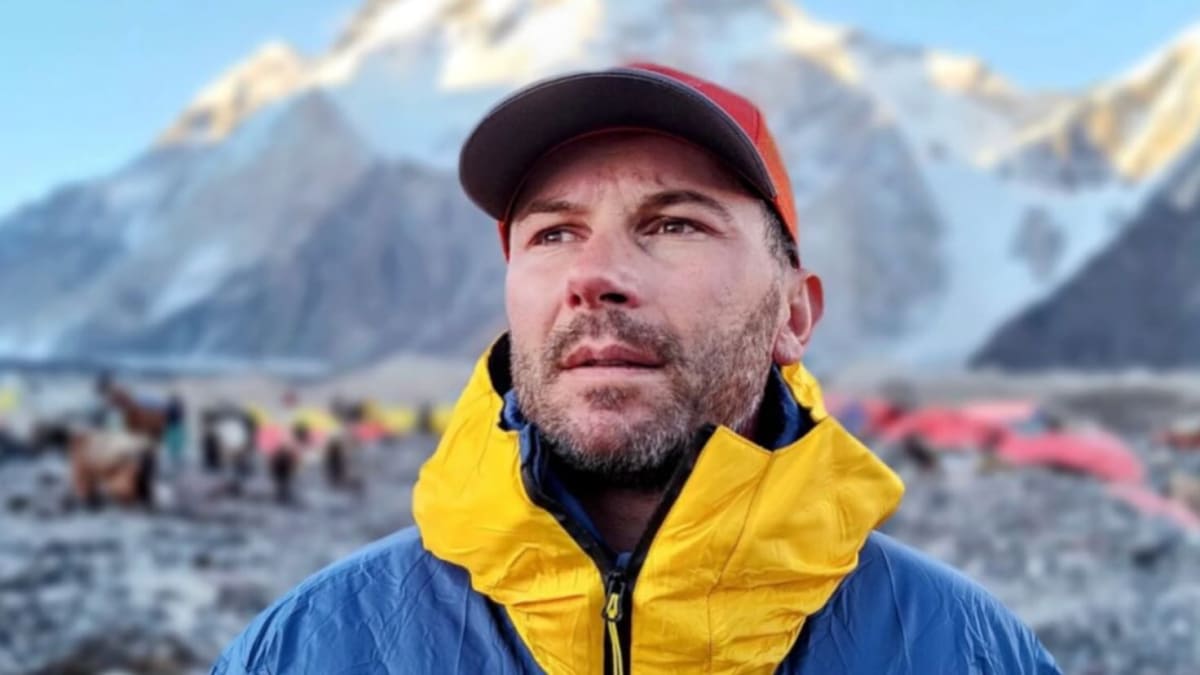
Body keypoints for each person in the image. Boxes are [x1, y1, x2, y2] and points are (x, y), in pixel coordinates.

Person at [213, 64, 1060, 673]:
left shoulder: (966, 651)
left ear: (793, 316)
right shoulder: (307, 648)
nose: (593, 275)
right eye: (552, 233)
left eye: (674, 224)